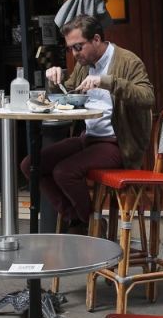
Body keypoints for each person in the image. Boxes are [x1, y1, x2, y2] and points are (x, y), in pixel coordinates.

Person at [21, 14, 154, 233]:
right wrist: (55, 80)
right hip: (88, 139)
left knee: (64, 171)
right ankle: (80, 220)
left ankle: (88, 223)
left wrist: (106, 81)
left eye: (78, 47)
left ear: (96, 39)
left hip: (118, 143)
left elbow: (147, 97)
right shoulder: (84, 64)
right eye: (70, 49)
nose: (75, 53)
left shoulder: (128, 61)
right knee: (31, 165)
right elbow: (69, 93)